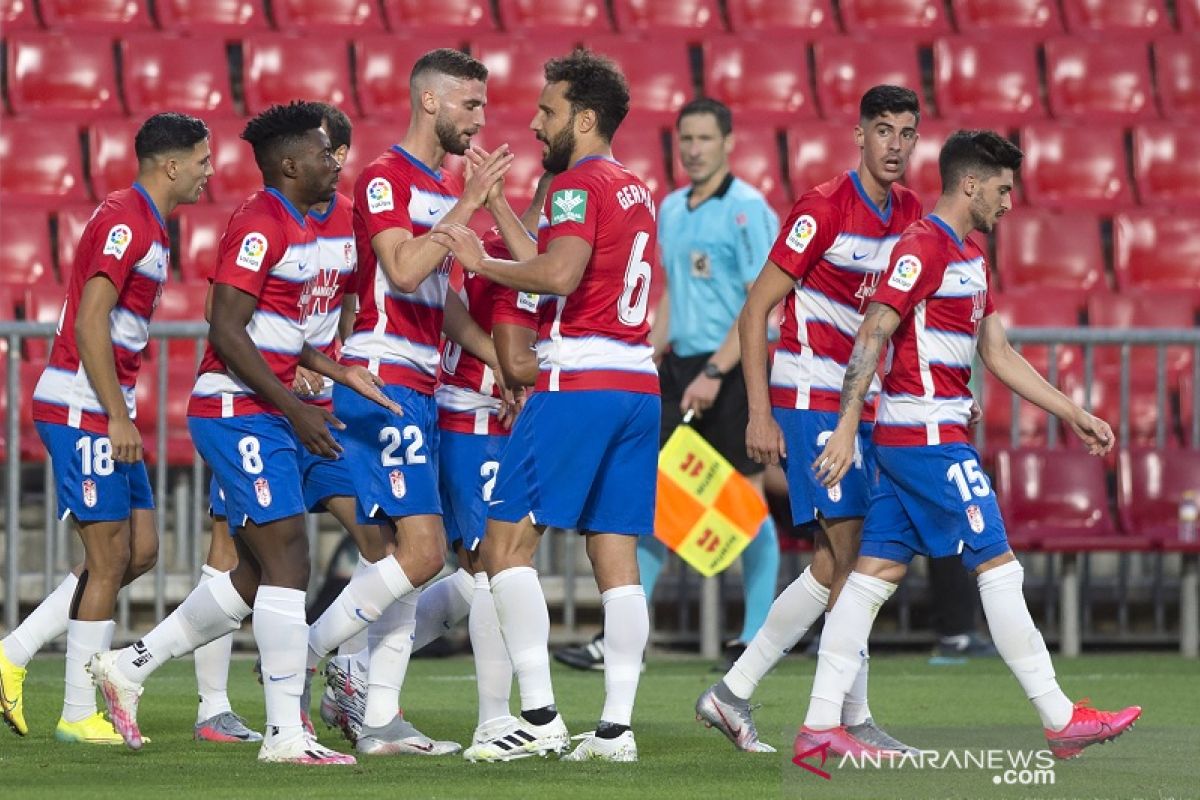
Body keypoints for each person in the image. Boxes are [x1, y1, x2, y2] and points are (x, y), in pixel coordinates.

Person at [797, 129, 1141, 759]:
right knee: (997, 563)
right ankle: (1060, 717)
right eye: (1004, 189)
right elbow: (874, 329)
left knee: (872, 576)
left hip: (925, 437)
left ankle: (820, 724)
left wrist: (1072, 411)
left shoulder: (973, 258)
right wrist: (848, 426)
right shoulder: (922, 246)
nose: (1010, 202)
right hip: (927, 440)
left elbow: (996, 352)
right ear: (971, 183)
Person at [89, 101, 399, 765]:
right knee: (290, 557)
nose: (334, 160)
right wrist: (294, 407)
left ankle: (131, 666)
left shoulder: (307, 225)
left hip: (270, 407)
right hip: (237, 411)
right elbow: (225, 332)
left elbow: (281, 338)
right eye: (323, 153)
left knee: (260, 576)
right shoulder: (259, 223)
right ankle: (286, 733)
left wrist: (336, 370)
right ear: (291, 164)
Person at [433, 48, 659, 763]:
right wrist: (499, 206)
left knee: (503, 547)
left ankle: (536, 716)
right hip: (636, 385)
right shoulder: (635, 187)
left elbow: (557, 273)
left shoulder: (574, 183)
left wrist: (483, 262)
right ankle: (617, 731)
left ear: (584, 118)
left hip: (579, 382)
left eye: (549, 110)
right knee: (615, 556)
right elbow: (569, 257)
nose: (535, 123)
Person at [298, 48, 513, 758]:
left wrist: (499, 363)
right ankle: (308, 653)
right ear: (430, 103)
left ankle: (379, 716)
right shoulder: (388, 178)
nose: (479, 120)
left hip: (417, 381)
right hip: (381, 379)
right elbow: (402, 265)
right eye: (470, 106)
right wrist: (471, 204)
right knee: (422, 553)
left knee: (401, 556)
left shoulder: (432, 184)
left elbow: (437, 298)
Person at [695, 86, 923, 754]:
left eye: (907, 133)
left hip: (862, 404)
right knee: (854, 553)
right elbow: (756, 306)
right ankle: (847, 722)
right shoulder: (822, 208)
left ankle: (730, 693)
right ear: (859, 135)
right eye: (883, 130)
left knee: (832, 563)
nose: (895, 145)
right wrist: (759, 413)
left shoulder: (911, 215)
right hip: (807, 395)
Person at [0, 114, 212, 744]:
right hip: (81, 406)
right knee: (109, 556)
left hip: (102, 404)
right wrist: (118, 415)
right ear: (171, 165)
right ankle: (75, 713)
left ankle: (13, 652)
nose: (208, 172)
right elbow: (91, 321)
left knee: (139, 551)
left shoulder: (146, 220)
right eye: (201, 160)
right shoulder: (128, 220)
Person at [553, 98, 780, 673]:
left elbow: (762, 303)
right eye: (687, 139)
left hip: (727, 369)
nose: (695, 149)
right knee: (659, 502)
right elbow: (673, 290)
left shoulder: (749, 210)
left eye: (705, 138)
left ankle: (757, 636)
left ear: (728, 142)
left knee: (745, 505)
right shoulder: (672, 209)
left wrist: (715, 372)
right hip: (679, 369)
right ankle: (622, 639)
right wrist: (649, 353)